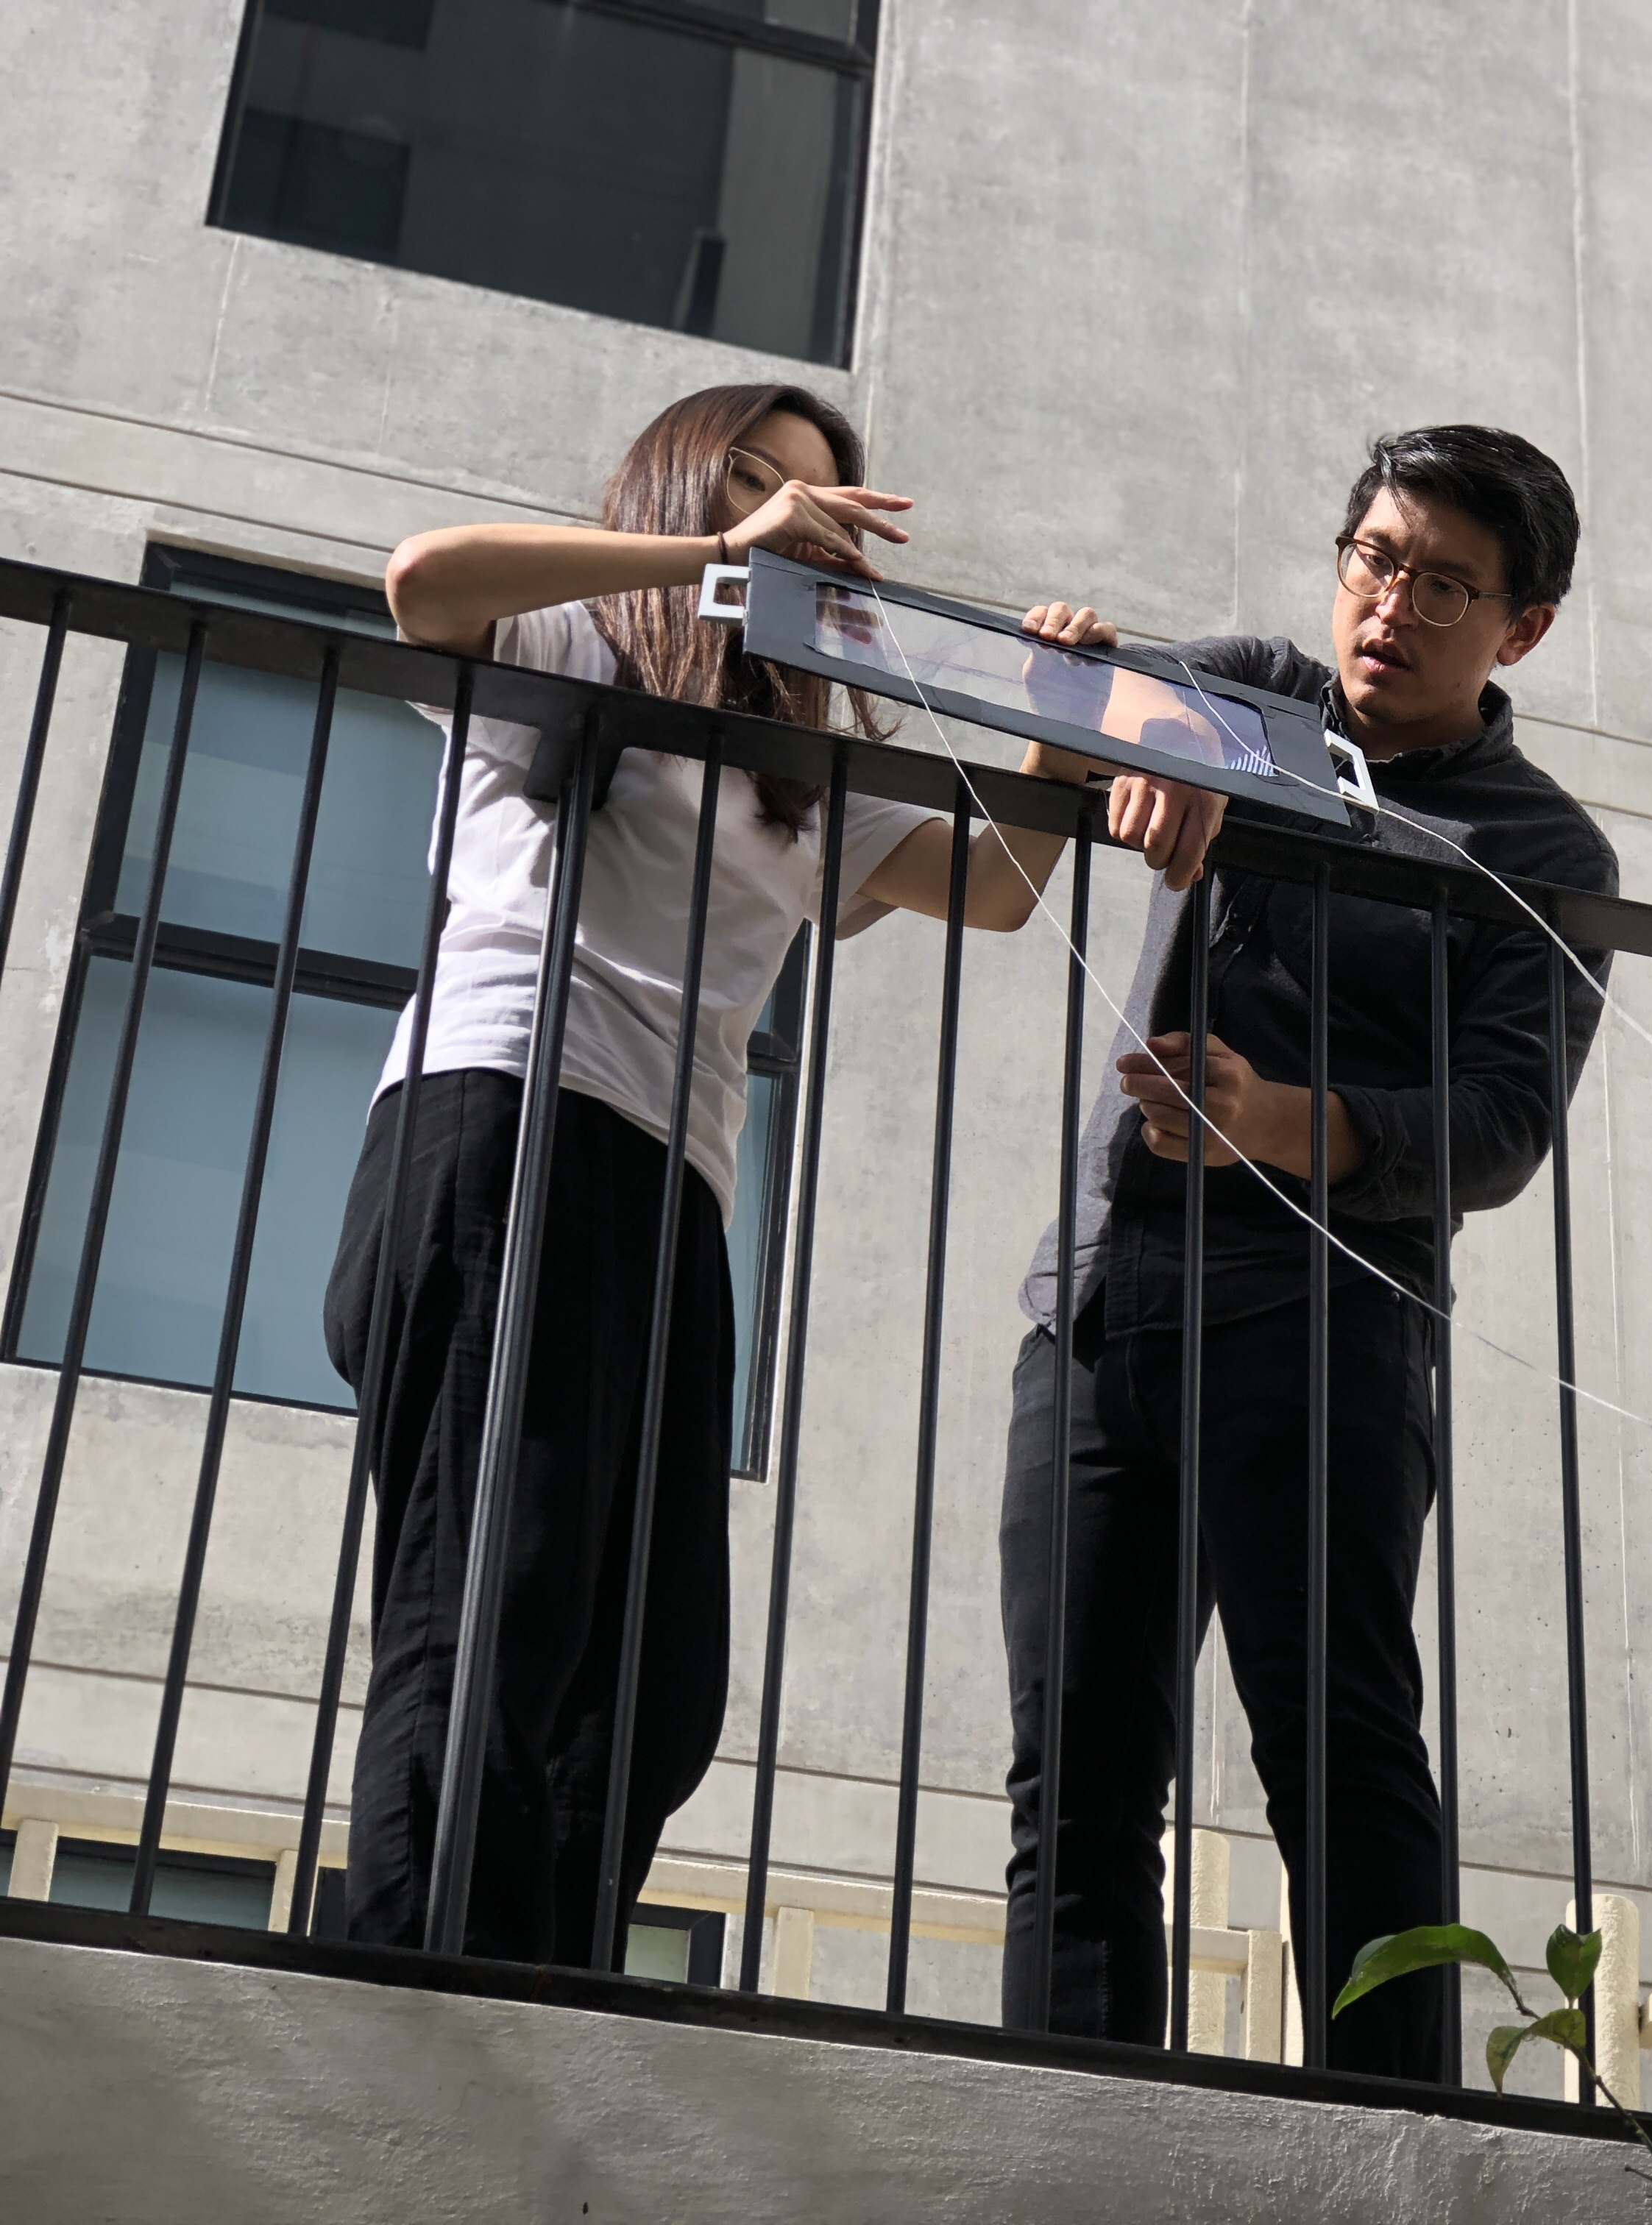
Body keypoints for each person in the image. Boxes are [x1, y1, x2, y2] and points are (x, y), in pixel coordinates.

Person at [327, 380, 1222, 1963]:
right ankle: (413, 1991)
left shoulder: (796, 753)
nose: (803, 526)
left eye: (829, 515)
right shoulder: (583, 642)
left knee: (660, 1683)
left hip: (673, 1179)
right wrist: (713, 557)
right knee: (491, 1606)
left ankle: (535, 1984)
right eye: (763, 485)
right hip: (504, 1114)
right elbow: (423, 582)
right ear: (690, 486)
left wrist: (1052, 725)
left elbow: (993, 890)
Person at [1003, 425, 1619, 2078]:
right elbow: (1098, 711)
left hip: (1329, 1323)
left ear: (1522, 628)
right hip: (1105, 1299)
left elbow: (1501, 1126)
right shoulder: (1257, 692)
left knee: (1338, 1758)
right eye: (1374, 560)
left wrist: (1272, 1120)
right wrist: (1118, 712)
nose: (1390, 606)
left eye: (1445, 585)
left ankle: (1389, 2133)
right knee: (1075, 1774)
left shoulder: (1544, 852)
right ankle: (1073, 2124)